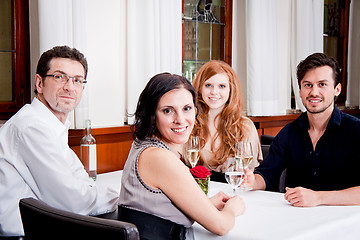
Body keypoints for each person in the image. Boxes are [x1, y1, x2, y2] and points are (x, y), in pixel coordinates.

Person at [0, 46, 118, 238]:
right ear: (39, 83)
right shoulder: (31, 127)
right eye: (59, 77)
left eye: (77, 80)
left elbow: (82, 182)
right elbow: (73, 201)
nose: (70, 87)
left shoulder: (51, 126)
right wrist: (121, 197)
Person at [119, 73, 245, 239]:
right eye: (168, 111)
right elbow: (221, 226)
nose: (180, 120)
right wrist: (232, 208)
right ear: (152, 114)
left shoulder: (143, 145)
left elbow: (158, 209)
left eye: (186, 108)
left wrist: (208, 204)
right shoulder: (160, 158)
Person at [248, 52, 360, 207]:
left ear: (337, 89)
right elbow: (266, 175)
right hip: (298, 221)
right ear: (300, 91)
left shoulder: (356, 130)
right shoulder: (289, 132)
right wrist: (250, 181)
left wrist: (318, 198)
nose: (314, 92)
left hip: (346, 224)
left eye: (322, 84)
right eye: (308, 85)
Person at [191, 60, 262, 181]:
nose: (214, 92)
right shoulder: (189, 123)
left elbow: (249, 174)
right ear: (199, 88)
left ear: (231, 91)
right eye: (208, 85)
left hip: (233, 192)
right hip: (198, 193)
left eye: (222, 86)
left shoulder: (245, 127)